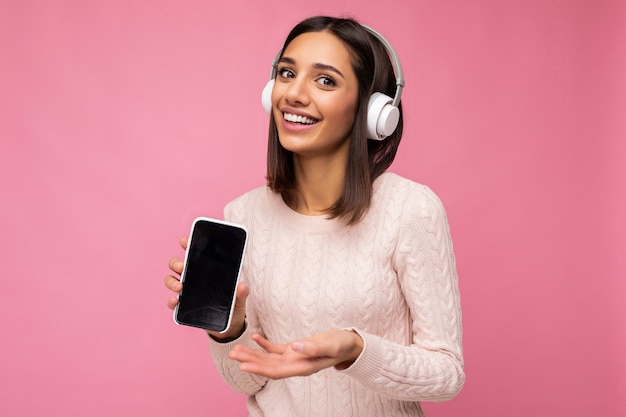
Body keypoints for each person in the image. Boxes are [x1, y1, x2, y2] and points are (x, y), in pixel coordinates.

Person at [165, 15, 464, 417]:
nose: (295, 94)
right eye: (287, 73)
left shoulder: (410, 210)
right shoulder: (244, 215)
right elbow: (249, 380)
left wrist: (355, 349)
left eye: (325, 81)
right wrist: (229, 329)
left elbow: (447, 374)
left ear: (376, 111)